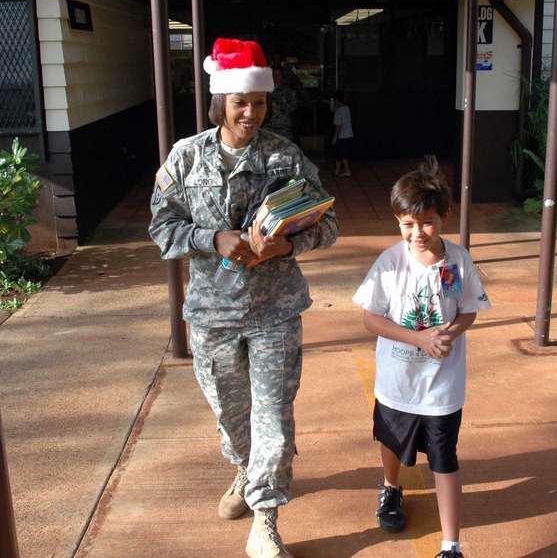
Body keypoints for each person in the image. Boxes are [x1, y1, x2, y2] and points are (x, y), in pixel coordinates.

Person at [149, 37, 338, 558]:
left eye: (258, 103)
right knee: (233, 416)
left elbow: (330, 224)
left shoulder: (285, 156)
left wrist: (288, 243)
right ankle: (243, 471)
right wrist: (212, 239)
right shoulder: (186, 157)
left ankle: (266, 517)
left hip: (275, 312)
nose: (251, 113)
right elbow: (162, 228)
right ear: (220, 103)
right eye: (240, 103)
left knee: (272, 417)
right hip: (213, 315)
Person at [351, 155, 490, 558]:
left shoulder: (457, 261)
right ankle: (390, 488)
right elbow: (370, 318)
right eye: (407, 224)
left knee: (445, 458)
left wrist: (448, 333)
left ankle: (451, 545)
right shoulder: (390, 263)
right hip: (397, 383)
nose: (417, 233)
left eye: (427, 222)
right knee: (392, 441)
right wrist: (418, 338)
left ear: (445, 216)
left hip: (442, 387)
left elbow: (468, 311)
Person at [262, 65, 298, 143]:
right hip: (268, 125)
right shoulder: (265, 91)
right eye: (274, 75)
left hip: (283, 126)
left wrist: (282, 107)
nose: (276, 77)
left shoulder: (287, 91)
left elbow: (294, 105)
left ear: (282, 76)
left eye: (279, 75)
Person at [331, 89, 353, 177]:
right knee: (340, 154)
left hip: (342, 136)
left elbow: (338, 125)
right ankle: (337, 170)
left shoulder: (338, 111)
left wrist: (335, 137)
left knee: (342, 155)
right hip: (349, 134)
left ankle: (347, 171)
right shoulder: (346, 108)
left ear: (336, 100)